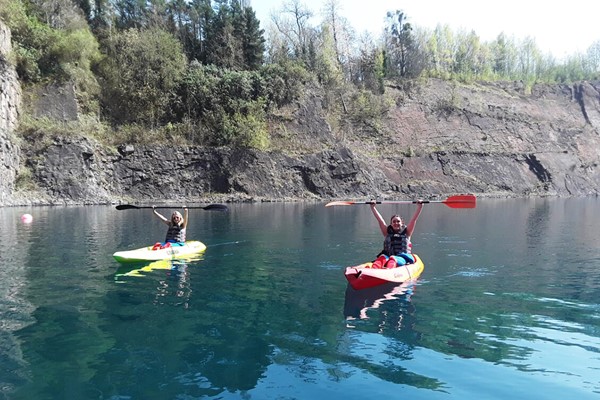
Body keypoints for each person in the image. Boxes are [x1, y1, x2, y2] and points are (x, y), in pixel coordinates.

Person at [369, 201, 424, 269]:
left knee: (393, 259)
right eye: (394, 222)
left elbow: (413, 220)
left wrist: (420, 207)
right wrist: (373, 207)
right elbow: (380, 220)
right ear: (391, 224)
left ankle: (389, 270)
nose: (396, 223)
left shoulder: (407, 232)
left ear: (402, 223)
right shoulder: (387, 232)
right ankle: (374, 270)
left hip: (402, 258)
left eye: (398, 221)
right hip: (387, 257)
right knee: (382, 257)